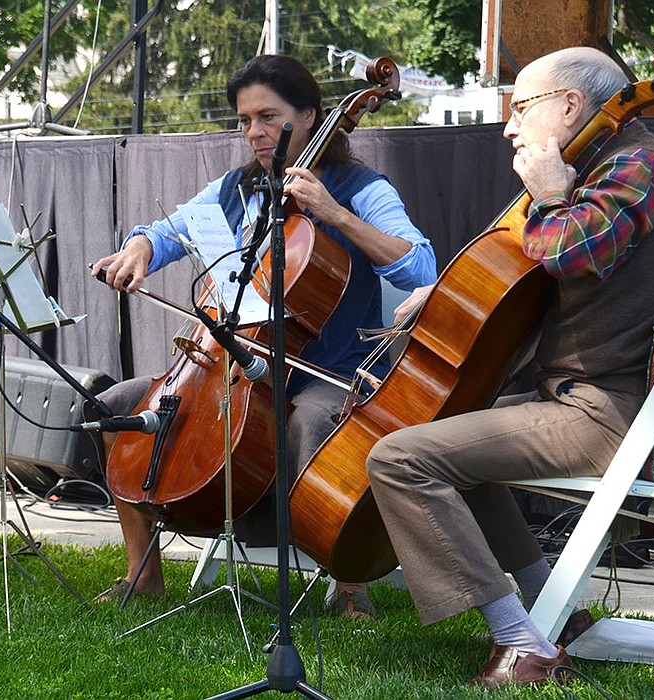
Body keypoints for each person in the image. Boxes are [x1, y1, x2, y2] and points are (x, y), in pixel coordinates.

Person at [366, 46, 654, 687]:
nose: (507, 125)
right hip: (589, 401)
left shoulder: (641, 165)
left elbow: (569, 250)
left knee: (400, 458)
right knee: (445, 428)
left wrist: (551, 194)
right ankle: (558, 616)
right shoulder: (606, 171)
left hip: (614, 412)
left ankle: (522, 643)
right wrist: (441, 298)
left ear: (572, 106)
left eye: (520, 107)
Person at [91, 54, 437, 615]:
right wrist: (140, 247)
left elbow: (422, 268)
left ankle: (349, 580)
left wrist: (335, 215)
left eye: (268, 117)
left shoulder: (361, 188)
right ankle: (143, 572)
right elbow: (170, 230)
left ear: (309, 115)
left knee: (315, 423)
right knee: (118, 407)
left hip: (321, 369)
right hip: (230, 364)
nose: (254, 132)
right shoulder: (237, 188)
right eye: (245, 120)